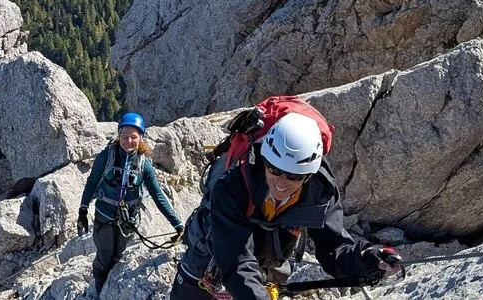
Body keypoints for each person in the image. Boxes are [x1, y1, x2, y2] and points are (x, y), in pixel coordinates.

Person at [171, 111, 401, 300]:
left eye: (293, 176)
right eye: (274, 170)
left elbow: (334, 248)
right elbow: (236, 258)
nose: (281, 182)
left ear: (309, 175)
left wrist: (368, 259)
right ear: (264, 160)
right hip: (211, 253)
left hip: (268, 258)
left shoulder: (320, 192)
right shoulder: (232, 186)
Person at [78, 112, 185, 293]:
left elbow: (158, 196)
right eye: (124, 136)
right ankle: (99, 286)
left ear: (141, 137)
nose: (128, 141)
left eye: (133, 137)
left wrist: (177, 224)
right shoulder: (105, 157)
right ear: (118, 135)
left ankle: (109, 288)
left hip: (128, 221)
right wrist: (83, 210)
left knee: (118, 256)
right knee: (104, 256)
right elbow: (92, 182)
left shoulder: (145, 165)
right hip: (104, 216)